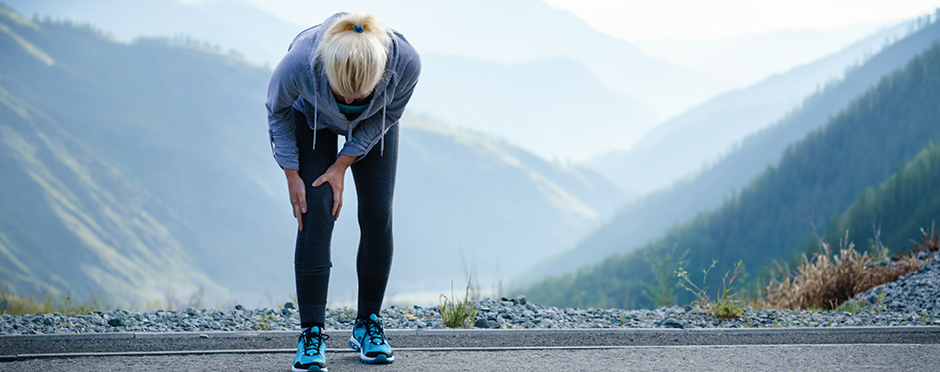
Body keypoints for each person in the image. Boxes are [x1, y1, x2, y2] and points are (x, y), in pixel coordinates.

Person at [266, 11, 420, 372]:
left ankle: (367, 324)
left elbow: (391, 114)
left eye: (359, 96)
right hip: (311, 118)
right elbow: (277, 111)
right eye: (342, 94)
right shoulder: (299, 63)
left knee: (378, 213)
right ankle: (311, 332)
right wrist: (292, 174)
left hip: (376, 124)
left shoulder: (406, 64)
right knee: (315, 209)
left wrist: (342, 164)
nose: (350, 103)